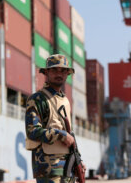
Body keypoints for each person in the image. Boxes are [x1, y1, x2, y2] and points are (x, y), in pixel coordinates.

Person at [25, 54, 85, 183]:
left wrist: (78, 160)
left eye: (63, 70)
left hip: (67, 167)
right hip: (48, 169)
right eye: (54, 70)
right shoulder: (38, 99)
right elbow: (32, 131)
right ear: (46, 72)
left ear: (68, 74)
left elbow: (70, 135)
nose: (59, 74)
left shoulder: (65, 100)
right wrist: (60, 134)